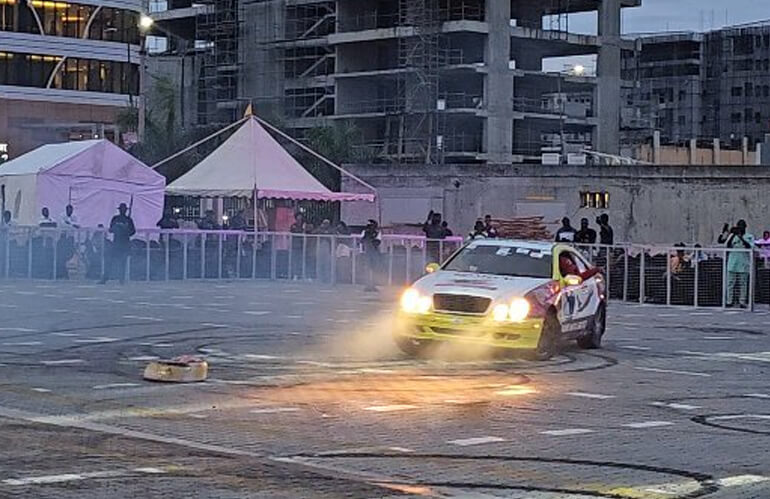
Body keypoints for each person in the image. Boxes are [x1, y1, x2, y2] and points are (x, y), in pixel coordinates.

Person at [99, 203, 135, 284]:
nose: (122, 210)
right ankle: (105, 278)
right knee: (109, 261)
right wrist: (117, 229)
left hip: (125, 243)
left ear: (126, 210)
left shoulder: (129, 220)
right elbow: (110, 230)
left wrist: (126, 230)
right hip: (116, 243)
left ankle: (121, 279)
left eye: (124, 209)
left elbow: (133, 231)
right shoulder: (115, 218)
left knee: (123, 262)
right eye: (121, 209)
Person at [725, 219, 754, 308]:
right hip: (732, 263)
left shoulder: (749, 236)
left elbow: (749, 246)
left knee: (743, 283)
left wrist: (741, 237)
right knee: (730, 283)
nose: (740, 228)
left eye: (742, 226)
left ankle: (742, 301)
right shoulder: (732, 236)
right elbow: (727, 245)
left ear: (745, 227)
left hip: (743, 263)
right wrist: (733, 234)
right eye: (739, 226)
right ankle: (729, 301)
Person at [360, 219, 382, 292]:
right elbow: (362, 241)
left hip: (374, 253)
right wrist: (367, 235)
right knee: (367, 269)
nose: (370, 227)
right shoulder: (365, 232)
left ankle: (373, 285)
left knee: (374, 269)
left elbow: (377, 242)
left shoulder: (377, 233)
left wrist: (371, 238)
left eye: (372, 225)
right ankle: (367, 285)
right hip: (366, 253)